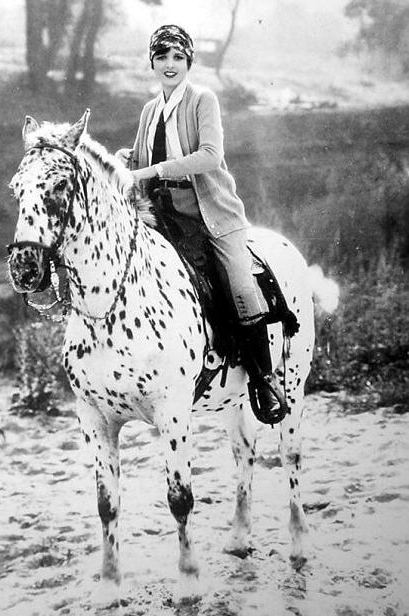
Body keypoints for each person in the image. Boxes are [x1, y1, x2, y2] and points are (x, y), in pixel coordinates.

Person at [116, 24, 286, 425]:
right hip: (162, 211)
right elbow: (141, 164)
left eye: (177, 57)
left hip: (209, 211)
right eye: (162, 57)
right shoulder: (148, 110)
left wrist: (154, 168)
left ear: (188, 61)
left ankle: (264, 379)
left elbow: (210, 155)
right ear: (152, 63)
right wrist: (125, 160)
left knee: (240, 284)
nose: (169, 64)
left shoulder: (202, 100)